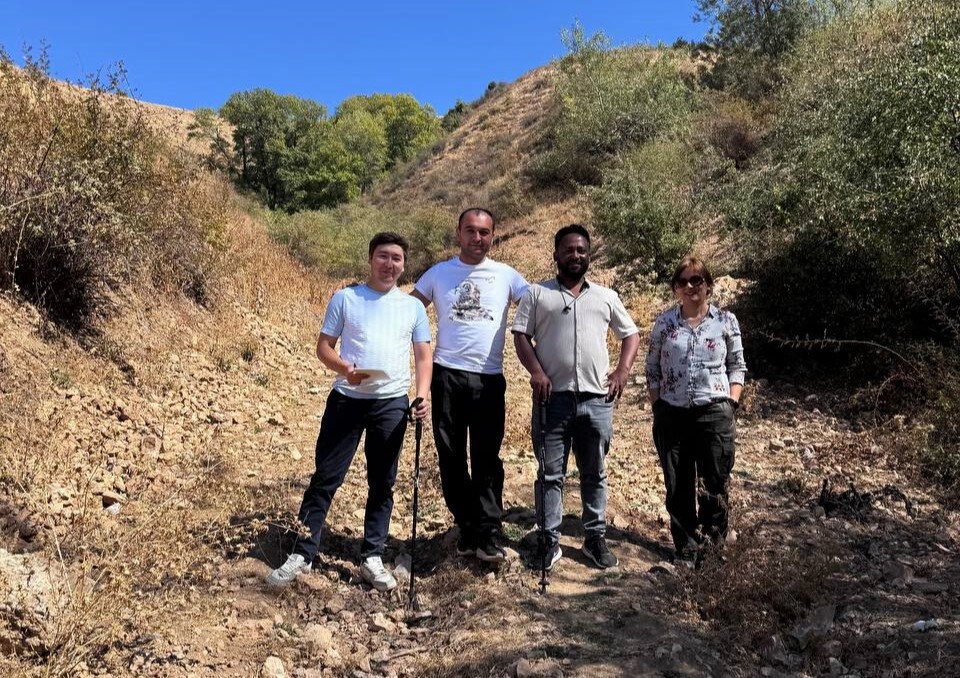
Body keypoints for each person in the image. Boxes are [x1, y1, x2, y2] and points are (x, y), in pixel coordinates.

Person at [265, 232, 432, 590]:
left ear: (405, 265)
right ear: (371, 259)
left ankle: (372, 555)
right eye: (383, 256)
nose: (390, 264)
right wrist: (344, 369)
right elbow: (324, 346)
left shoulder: (413, 307)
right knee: (326, 477)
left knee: (382, 482)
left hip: (391, 404)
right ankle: (302, 552)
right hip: (346, 400)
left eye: (397, 258)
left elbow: (422, 355)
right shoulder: (346, 298)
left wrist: (421, 395)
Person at [512, 224, 640, 570]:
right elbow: (521, 336)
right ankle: (549, 540)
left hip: (596, 400)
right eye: (568, 250)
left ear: (589, 255)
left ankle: (594, 538)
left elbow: (630, 335)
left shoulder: (606, 297)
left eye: (582, 250)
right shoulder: (538, 294)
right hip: (552, 400)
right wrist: (537, 373)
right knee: (550, 473)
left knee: (594, 471)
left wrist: (623, 371)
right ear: (556, 255)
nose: (576, 255)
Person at [412, 208, 528, 562]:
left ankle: (490, 530)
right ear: (458, 234)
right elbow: (409, 310)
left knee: (487, 455)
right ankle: (467, 525)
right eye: (470, 231)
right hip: (446, 374)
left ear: (493, 236)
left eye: (484, 232)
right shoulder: (438, 273)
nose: (477, 239)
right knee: (450, 455)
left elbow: (538, 307)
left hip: (489, 377)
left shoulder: (507, 276)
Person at [644, 257, 745, 566]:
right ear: (675, 288)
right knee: (678, 485)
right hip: (672, 414)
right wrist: (658, 405)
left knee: (714, 483)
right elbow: (652, 369)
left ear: (708, 285)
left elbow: (737, 366)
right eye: (684, 281)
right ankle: (686, 548)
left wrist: (730, 403)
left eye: (697, 280)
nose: (690, 286)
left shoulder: (726, 321)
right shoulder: (664, 323)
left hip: (714, 413)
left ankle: (713, 551)